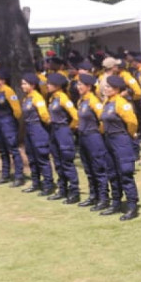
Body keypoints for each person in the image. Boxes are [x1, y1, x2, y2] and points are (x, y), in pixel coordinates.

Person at [99, 75, 140, 220]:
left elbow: (132, 122)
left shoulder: (122, 103)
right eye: (106, 86)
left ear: (117, 89)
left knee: (125, 172)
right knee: (112, 172)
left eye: (109, 87)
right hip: (109, 140)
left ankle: (132, 205)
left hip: (121, 139)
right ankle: (116, 202)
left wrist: (128, 136)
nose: (106, 88)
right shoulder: (107, 102)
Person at [74, 73, 111, 211]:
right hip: (83, 137)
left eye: (80, 84)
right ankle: (93, 195)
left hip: (93, 137)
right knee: (88, 168)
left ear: (88, 86)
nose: (78, 87)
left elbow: (103, 119)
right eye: (77, 84)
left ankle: (103, 198)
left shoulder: (93, 101)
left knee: (98, 168)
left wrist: (97, 132)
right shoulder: (82, 100)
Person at [45, 73, 81, 204]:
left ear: (57, 85)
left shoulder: (63, 98)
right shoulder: (53, 97)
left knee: (66, 161)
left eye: (49, 83)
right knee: (58, 161)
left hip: (63, 130)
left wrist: (70, 128)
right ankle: (62, 189)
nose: (47, 86)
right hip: (54, 130)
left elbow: (76, 116)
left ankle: (74, 191)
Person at [19, 73, 54, 195]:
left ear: (32, 85)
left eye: (24, 84)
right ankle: (36, 182)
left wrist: (49, 124)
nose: (22, 86)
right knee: (31, 157)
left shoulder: (37, 98)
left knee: (41, 157)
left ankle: (48, 184)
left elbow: (44, 115)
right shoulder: (27, 97)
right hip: (29, 129)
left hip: (37, 128)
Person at [0, 70, 25, 187]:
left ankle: (19, 176)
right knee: (2, 150)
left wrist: (13, 122)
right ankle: (5, 174)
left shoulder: (8, 91)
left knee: (13, 148)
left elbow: (17, 110)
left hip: (8, 121)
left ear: (3, 80)